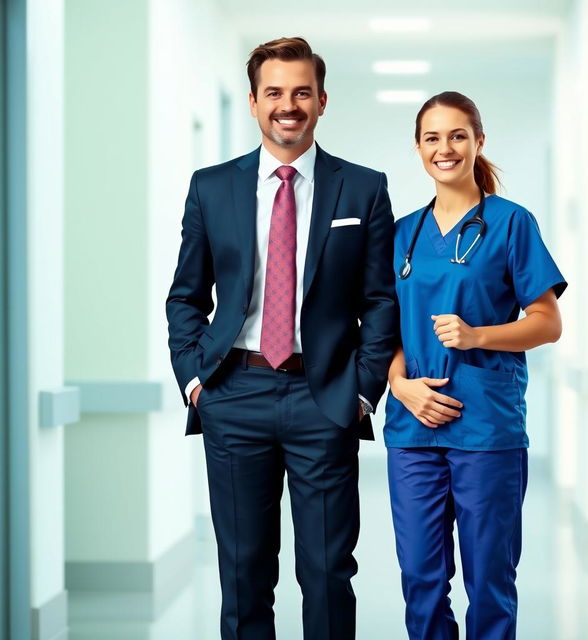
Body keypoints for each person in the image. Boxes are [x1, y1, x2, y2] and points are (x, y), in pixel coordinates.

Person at [166, 37, 397, 640]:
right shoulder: (211, 187)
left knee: (325, 572)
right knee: (242, 574)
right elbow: (186, 296)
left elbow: (380, 301)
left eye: (301, 92)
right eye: (274, 92)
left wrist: (363, 391)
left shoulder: (363, 189)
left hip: (323, 398)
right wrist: (196, 379)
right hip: (233, 393)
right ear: (252, 102)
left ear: (322, 100)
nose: (287, 105)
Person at [384, 91, 567, 640]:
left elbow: (547, 321)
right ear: (418, 148)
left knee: (488, 579)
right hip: (413, 429)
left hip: (486, 428)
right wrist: (399, 385)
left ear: (477, 142)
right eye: (433, 138)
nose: (445, 148)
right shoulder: (401, 234)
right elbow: (384, 328)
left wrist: (477, 334)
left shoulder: (511, 224)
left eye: (457, 136)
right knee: (420, 578)